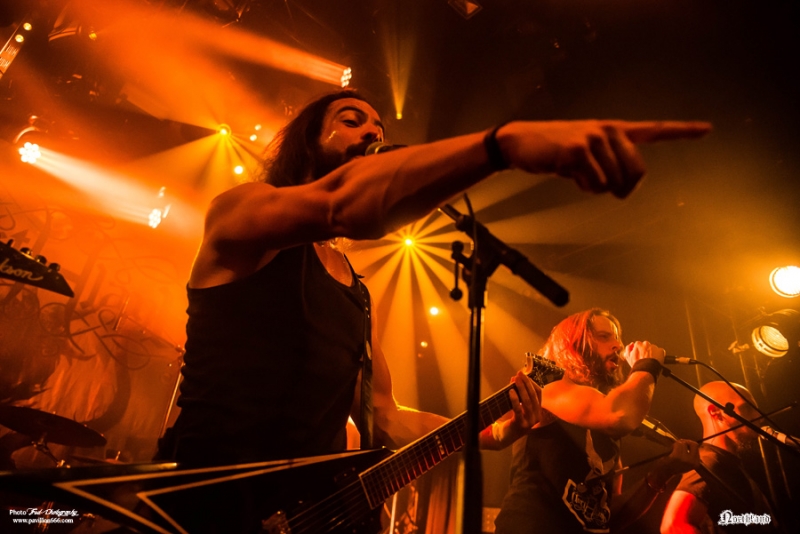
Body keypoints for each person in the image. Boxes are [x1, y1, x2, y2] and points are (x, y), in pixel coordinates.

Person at [160, 90, 709, 469]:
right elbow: (341, 205)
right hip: (210, 492)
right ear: (308, 140)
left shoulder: (354, 290)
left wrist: (493, 432)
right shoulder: (241, 210)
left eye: (379, 128)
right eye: (352, 120)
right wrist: (500, 146)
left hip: (297, 509)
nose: (372, 132)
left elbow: (386, 419)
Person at [494, 308, 699, 533]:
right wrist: (647, 365)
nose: (618, 345)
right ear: (572, 344)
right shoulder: (547, 382)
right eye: (604, 336)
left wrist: (660, 474)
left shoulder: (603, 425)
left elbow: (606, 515)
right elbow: (618, 415)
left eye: (617, 338)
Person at [660, 381, 779, 533]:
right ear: (715, 412)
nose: (758, 416)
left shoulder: (729, 464)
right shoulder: (708, 462)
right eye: (747, 408)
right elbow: (673, 526)